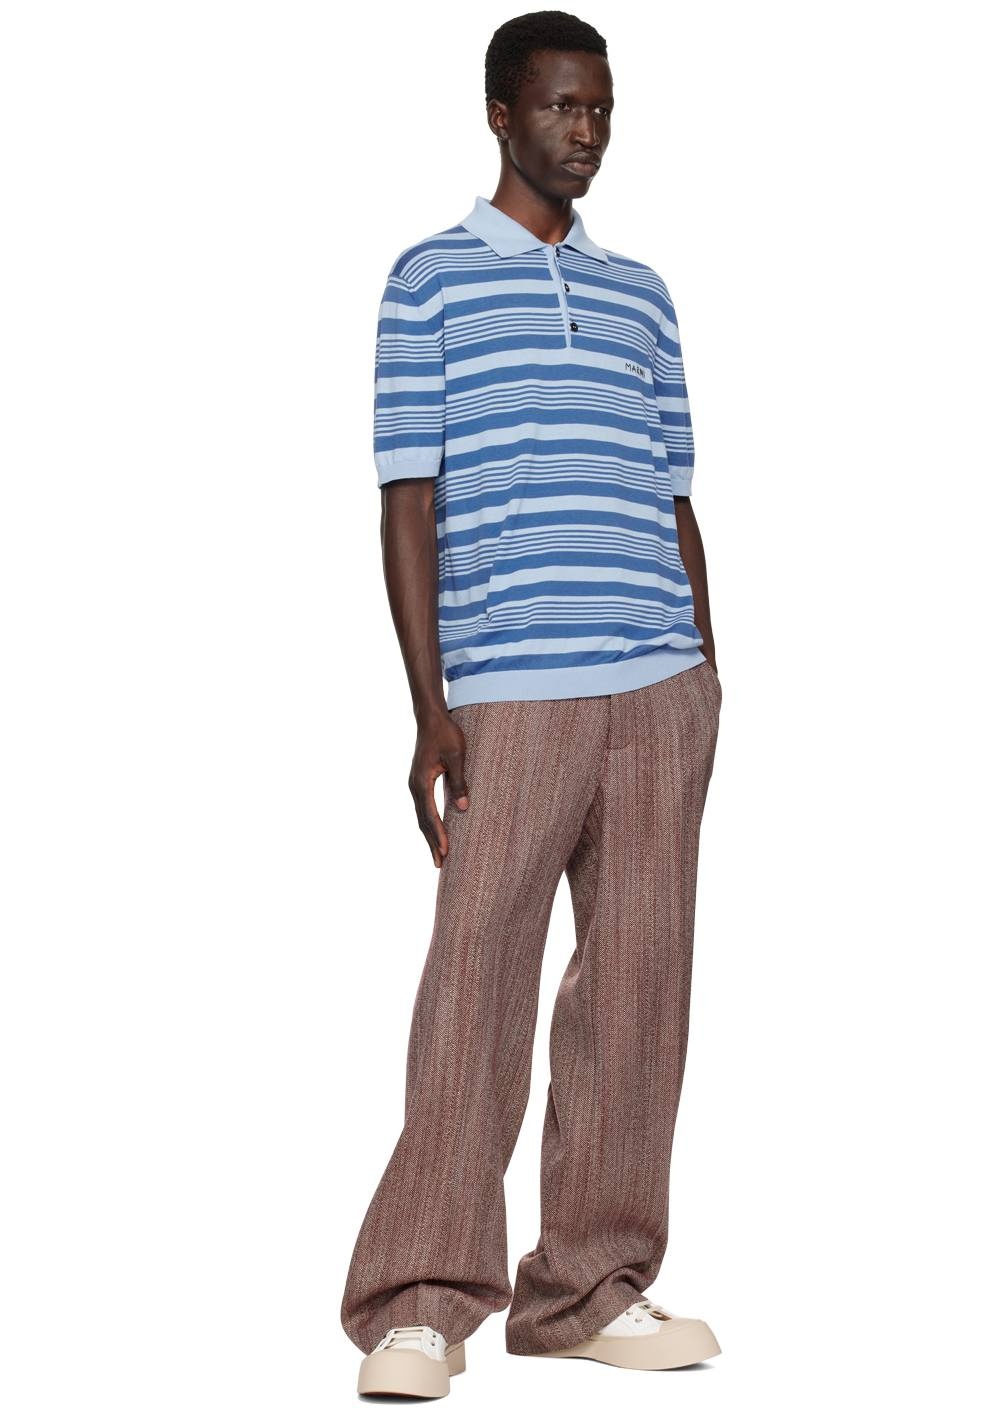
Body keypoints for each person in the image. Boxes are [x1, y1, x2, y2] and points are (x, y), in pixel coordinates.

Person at [341, 11, 724, 1399]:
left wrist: (707, 667)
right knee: (476, 989)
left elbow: (673, 493)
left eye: (602, 108)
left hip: (657, 688)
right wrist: (430, 709)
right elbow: (409, 499)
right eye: (563, 107)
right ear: (501, 115)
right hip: (511, 691)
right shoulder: (430, 280)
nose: (587, 131)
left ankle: (587, 1288)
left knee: (637, 996)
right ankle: (420, 1300)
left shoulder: (641, 295)